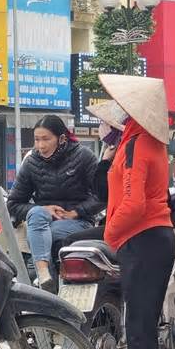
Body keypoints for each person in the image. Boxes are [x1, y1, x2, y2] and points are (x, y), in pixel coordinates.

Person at [99, 74, 175, 349]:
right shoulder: (147, 141)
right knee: (142, 329)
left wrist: (109, 236)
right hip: (155, 239)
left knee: (139, 332)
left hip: (143, 241)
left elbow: (133, 204)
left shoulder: (136, 143)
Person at [7, 115, 103, 292]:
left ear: (61, 139)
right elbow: (13, 204)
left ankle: (48, 289)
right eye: (37, 139)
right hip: (42, 221)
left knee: (44, 236)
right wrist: (44, 209)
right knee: (36, 214)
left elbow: (102, 196)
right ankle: (45, 275)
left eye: (46, 139)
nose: (41, 146)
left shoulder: (83, 157)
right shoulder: (31, 162)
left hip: (79, 222)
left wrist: (76, 212)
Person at [61, 100, 126, 246]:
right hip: (114, 221)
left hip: (123, 227)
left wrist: (104, 162)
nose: (102, 127)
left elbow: (102, 193)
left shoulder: (122, 155)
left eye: (105, 123)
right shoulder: (117, 152)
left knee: (69, 242)